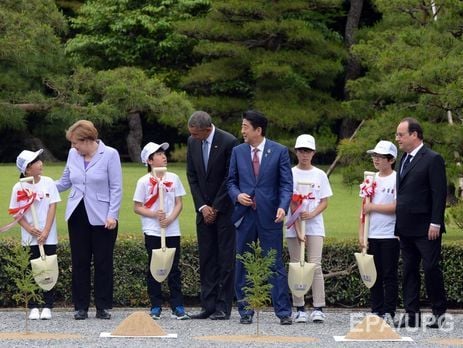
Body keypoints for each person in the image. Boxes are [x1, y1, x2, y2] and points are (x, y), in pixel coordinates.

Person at [227, 110, 293, 325]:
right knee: (243, 263)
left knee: (274, 263)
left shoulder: (279, 151)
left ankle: (283, 312)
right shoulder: (237, 151)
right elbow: (231, 181)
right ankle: (245, 311)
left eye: (246, 126)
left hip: (270, 216)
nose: (242, 130)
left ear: (258, 130)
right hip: (244, 216)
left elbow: (285, 184)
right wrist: (237, 195)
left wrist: (283, 207)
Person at [55, 120, 122, 320]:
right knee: (80, 261)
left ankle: (103, 306)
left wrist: (113, 215)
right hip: (77, 214)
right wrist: (41, 186)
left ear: (87, 140)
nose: (73, 147)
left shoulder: (110, 154)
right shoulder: (72, 155)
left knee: (103, 262)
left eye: (75, 143)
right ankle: (80, 306)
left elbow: (116, 188)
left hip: (103, 216)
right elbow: (65, 182)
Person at [394, 117, 447, 329]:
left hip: (427, 227)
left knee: (431, 268)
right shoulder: (403, 159)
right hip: (406, 227)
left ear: (414, 135)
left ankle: (439, 313)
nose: (397, 139)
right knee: (409, 270)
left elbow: (439, 193)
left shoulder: (432, 158)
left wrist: (436, 222)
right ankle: (411, 314)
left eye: (400, 134)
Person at [186, 111, 239, 320]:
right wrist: (202, 207)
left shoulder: (228, 142)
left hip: (224, 211)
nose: (194, 137)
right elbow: (192, 176)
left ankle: (223, 306)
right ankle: (207, 304)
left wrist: (215, 207)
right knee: (206, 258)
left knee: (225, 258)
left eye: (197, 134)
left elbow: (230, 177)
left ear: (207, 129)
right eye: (192, 134)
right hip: (203, 211)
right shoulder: (192, 142)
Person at [133, 142, 190, 320]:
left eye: (163, 153)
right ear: (149, 160)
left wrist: (170, 218)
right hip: (152, 230)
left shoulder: (173, 178)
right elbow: (137, 207)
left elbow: (179, 203)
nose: (163, 156)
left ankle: (177, 306)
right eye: (158, 154)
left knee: (174, 268)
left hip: (172, 230)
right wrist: (153, 214)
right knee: (154, 267)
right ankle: (156, 305)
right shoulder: (143, 181)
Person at [9, 149, 61, 320]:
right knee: (33, 270)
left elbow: (53, 206)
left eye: (39, 161)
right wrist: (29, 228)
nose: (41, 164)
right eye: (36, 162)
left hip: (48, 236)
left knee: (48, 268)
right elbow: (16, 212)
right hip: (29, 237)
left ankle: (47, 305)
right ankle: (32, 306)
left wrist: (45, 231)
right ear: (27, 169)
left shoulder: (48, 182)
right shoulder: (19, 186)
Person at [286, 134, 333, 324]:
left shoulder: (320, 174)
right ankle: (299, 307)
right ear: (296, 152)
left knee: (315, 265)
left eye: (308, 151)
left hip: (315, 226)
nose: (304, 155)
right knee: (297, 265)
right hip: (294, 227)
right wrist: (298, 229)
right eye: (301, 151)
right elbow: (290, 202)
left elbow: (324, 201)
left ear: (313, 153)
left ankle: (318, 307)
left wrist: (312, 214)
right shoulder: (290, 173)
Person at [359, 140, 399, 324]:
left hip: (390, 234)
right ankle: (377, 309)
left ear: (391, 160)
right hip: (372, 233)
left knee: (389, 274)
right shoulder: (370, 178)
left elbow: (397, 207)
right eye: (374, 156)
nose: (376, 160)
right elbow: (363, 209)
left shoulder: (397, 178)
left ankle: (390, 310)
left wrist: (373, 206)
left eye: (380, 157)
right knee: (374, 274)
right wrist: (362, 234)